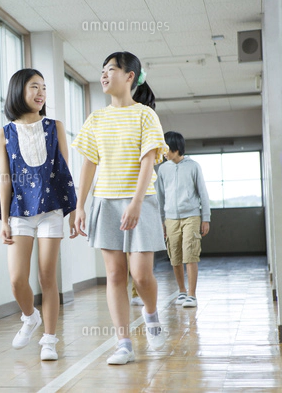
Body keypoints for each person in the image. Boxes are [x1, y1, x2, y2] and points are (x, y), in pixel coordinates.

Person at [72, 51, 168, 365]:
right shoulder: (96, 119)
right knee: (114, 275)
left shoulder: (145, 115)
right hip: (106, 201)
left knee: (141, 275)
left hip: (141, 201)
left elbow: (149, 161)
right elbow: (89, 163)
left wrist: (137, 203)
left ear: (129, 76)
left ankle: (151, 315)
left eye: (111, 69)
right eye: (102, 70)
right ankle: (123, 343)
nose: (104, 74)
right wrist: (80, 206)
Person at [0, 68, 78, 361]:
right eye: (34, 87)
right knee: (17, 279)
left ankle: (49, 340)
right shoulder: (4, 134)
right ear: (19, 90)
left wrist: (73, 210)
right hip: (19, 212)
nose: (41, 93)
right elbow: (5, 178)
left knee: (47, 276)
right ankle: (30, 318)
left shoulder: (55, 127)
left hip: (51, 210)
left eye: (43, 87)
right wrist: (4, 220)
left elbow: (65, 172)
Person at [155, 131, 211, 308]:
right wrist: (162, 221)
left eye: (166, 148)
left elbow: (203, 193)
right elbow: (160, 197)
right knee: (175, 257)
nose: (163, 152)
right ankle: (182, 291)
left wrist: (206, 218)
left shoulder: (193, 166)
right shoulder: (162, 169)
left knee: (190, 254)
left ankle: (192, 295)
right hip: (170, 219)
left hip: (191, 216)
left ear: (176, 147)